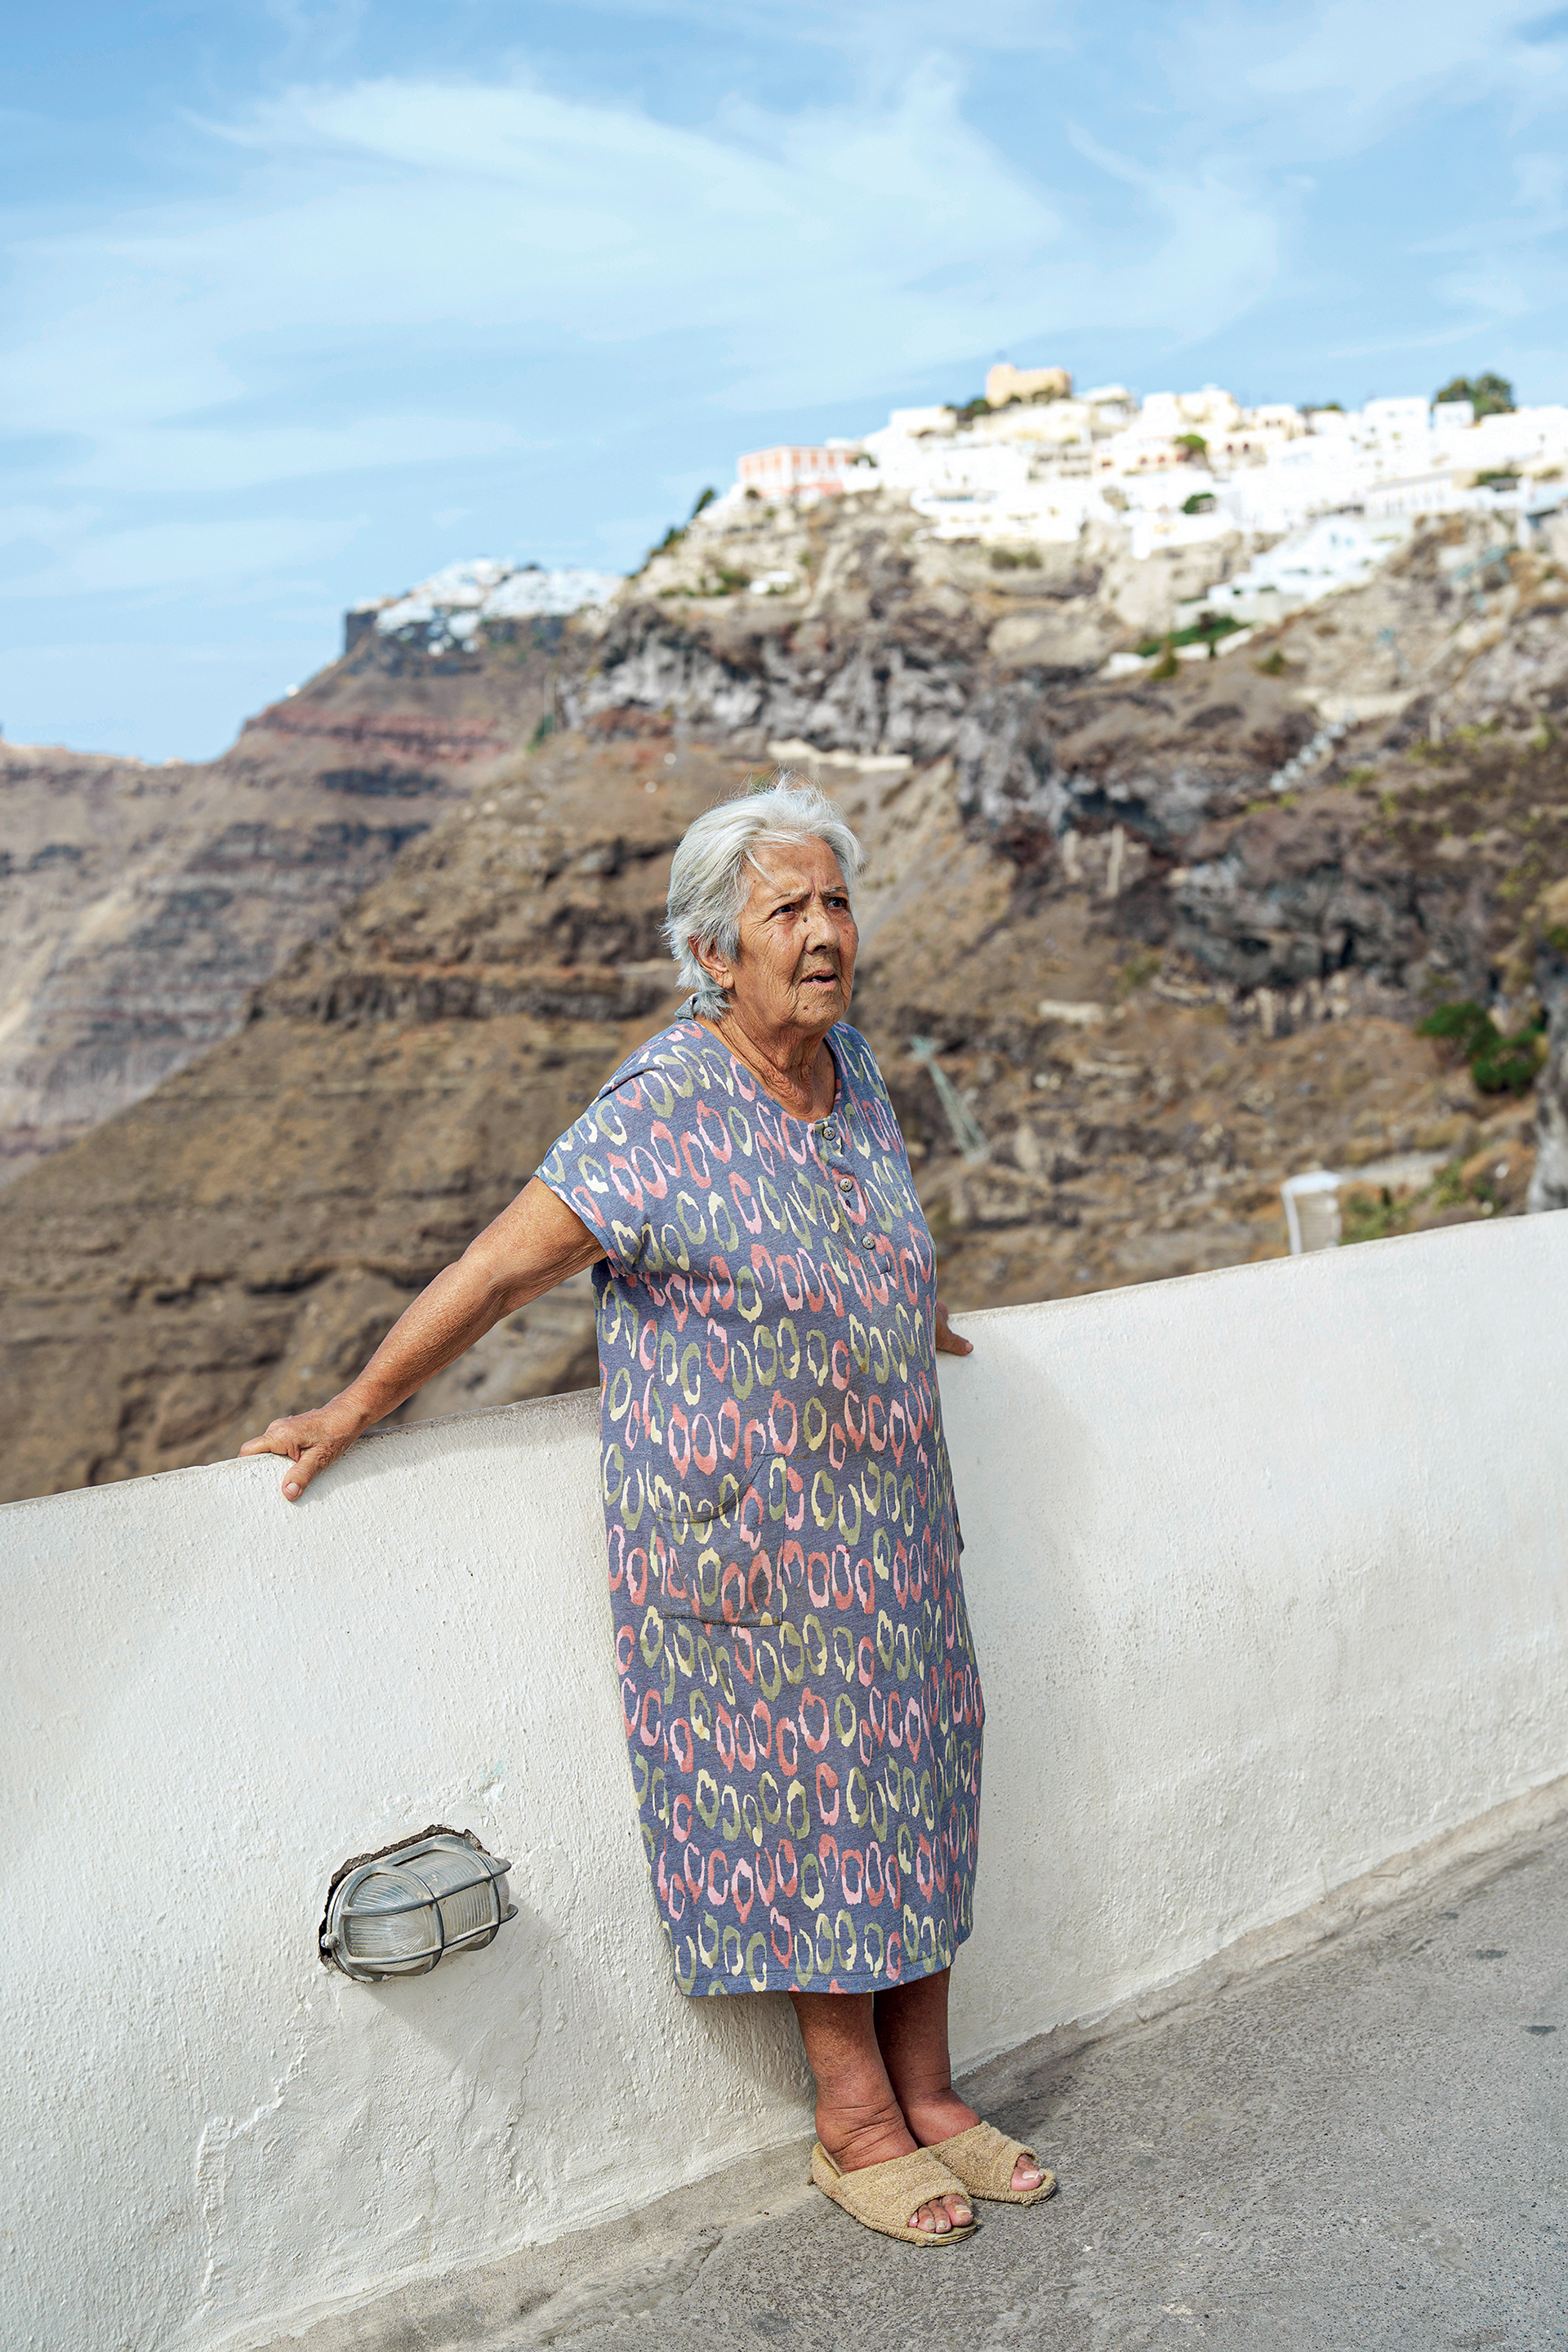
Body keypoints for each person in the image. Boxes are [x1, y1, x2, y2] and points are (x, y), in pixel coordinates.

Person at [242, 773, 1055, 2245]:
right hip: (751, 1549)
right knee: (818, 1815)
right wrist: (361, 1401)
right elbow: (502, 1271)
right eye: (787, 910)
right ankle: (857, 2122)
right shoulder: (662, 1105)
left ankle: (932, 2091)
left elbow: (865, 1229)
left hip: (889, 1528)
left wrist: (907, 1312)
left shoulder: (853, 1070)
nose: (825, 933)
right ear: (711, 953)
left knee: (925, 1784)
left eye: (837, 902)